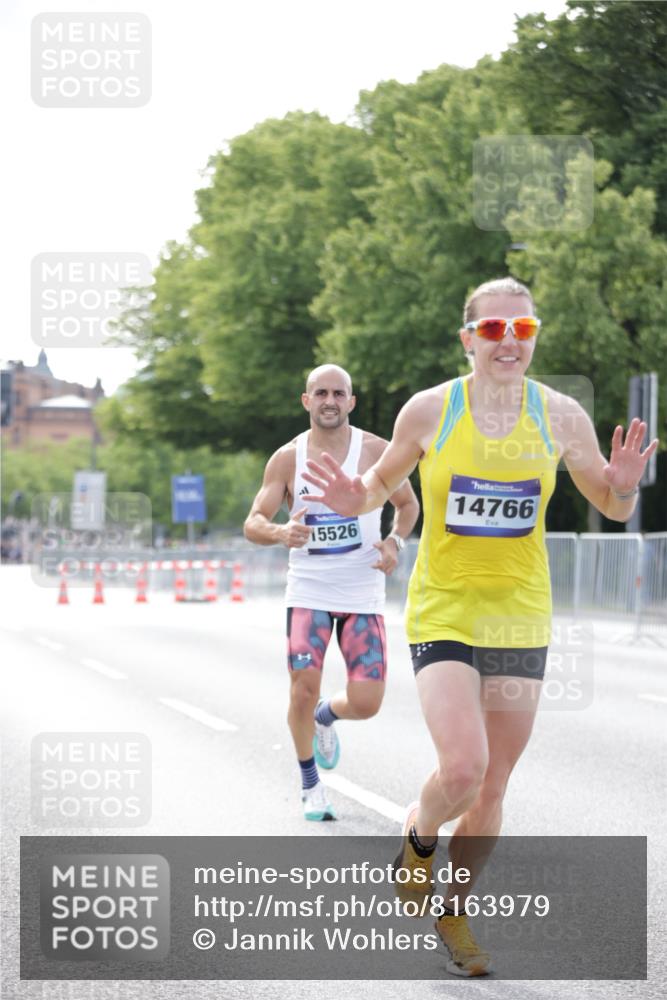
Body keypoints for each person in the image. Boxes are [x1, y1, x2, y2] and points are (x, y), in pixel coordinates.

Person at [302, 277, 659, 976]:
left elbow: (612, 508)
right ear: (468, 338)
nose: (507, 343)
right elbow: (379, 484)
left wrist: (623, 483)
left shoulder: (559, 417)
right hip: (444, 607)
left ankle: (455, 913)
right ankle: (419, 831)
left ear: (533, 338)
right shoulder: (432, 410)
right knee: (461, 768)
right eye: (492, 331)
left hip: (520, 614)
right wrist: (356, 498)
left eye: (521, 331)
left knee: (491, 786)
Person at [244, 364, 419, 822]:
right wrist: (281, 532)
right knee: (301, 690)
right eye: (320, 392)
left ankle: (326, 717)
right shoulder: (287, 458)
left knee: (367, 702)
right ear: (306, 401)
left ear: (351, 402)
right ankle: (310, 785)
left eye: (339, 393)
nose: (330, 401)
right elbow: (253, 521)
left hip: (362, 590)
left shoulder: (377, 451)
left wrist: (394, 543)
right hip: (309, 590)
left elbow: (408, 505)